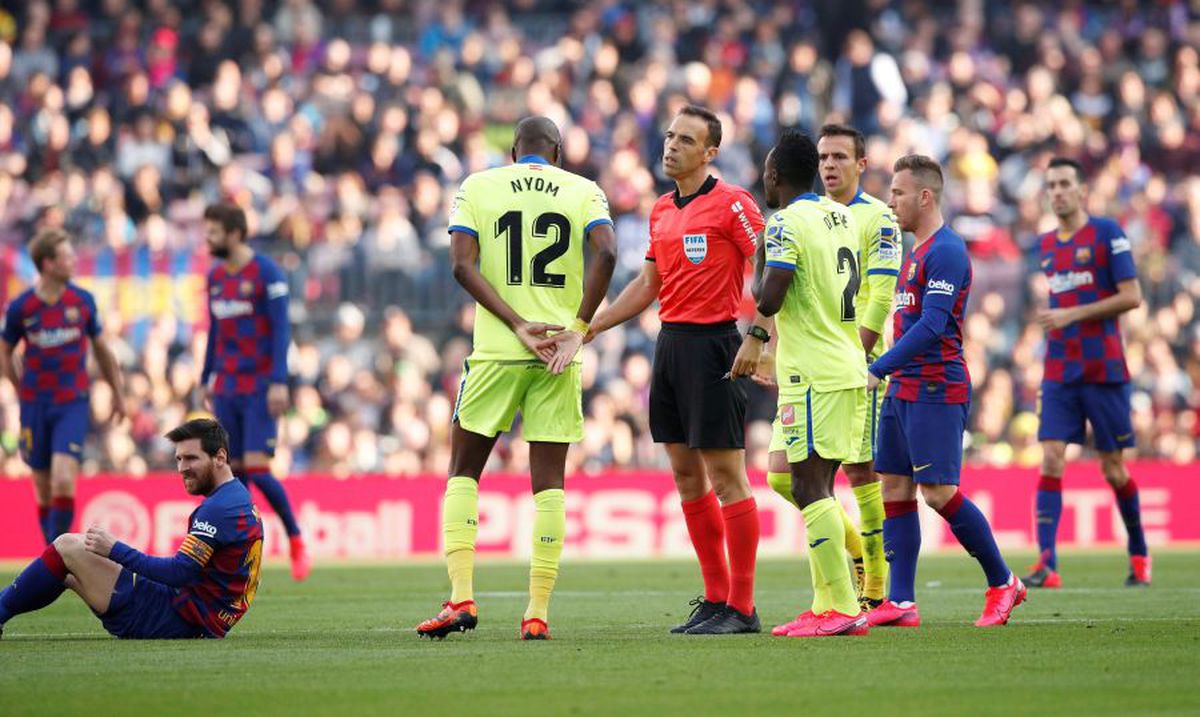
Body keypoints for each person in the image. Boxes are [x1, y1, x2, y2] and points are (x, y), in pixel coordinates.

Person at [416, 117, 616, 641]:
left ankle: (461, 597)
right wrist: (577, 329)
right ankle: (537, 613)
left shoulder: (478, 186)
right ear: (557, 152)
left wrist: (516, 323)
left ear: (513, 151)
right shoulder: (583, 190)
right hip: (559, 352)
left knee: (464, 472)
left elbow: (462, 267)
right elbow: (608, 252)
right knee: (549, 484)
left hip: (499, 351)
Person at [588, 105, 766, 635]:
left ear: (710, 152)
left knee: (727, 478)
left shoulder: (734, 203)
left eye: (686, 140)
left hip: (716, 346)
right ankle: (715, 599)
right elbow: (648, 285)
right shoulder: (662, 209)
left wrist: (760, 335)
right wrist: (591, 326)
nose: (671, 146)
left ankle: (742, 607)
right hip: (671, 345)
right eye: (669, 136)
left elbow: (772, 264)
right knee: (687, 477)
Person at [865, 155, 1025, 628]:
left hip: (936, 385)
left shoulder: (947, 251)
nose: (891, 201)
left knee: (938, 493)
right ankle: (901, 601)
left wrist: (879, 367)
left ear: (924, 196)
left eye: (898, 193)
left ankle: (1003, 582)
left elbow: (934, 324)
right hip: (904, 386)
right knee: (894, 486)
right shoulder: (915, 251)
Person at [758, 124, 899, 612]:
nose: (830, 165)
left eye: (840, 156)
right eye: (823, 157)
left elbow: (879, 295)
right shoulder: (823, 216)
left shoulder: (876, 218)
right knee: (786, 476)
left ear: (862, 164)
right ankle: (852, 560)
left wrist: (857, 352)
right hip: (818, 360)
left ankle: (873, 587)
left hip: (855, 360)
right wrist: (772, 348)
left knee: (854, 472)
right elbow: (803, 297)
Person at [0, 418, 264, 639]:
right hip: (195, 615)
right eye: (179, 459)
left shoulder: (218, 509)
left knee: (67, 547)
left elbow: (179, 572)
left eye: (191, 458)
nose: (182, 468)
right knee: (61, 570)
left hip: (175, 619)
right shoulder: (237, 497)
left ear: (220, 457)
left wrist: (115, 549)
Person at [1024, 157, 1149, 588]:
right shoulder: (1044, 245)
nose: (1057, 192)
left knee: (1113, 469)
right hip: (1059, 368)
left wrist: (1072, 314)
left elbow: (1132, 295)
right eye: (1051, 185)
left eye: (1064, 184)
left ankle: (1139, 552)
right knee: (1051, 456)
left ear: (1081, 191)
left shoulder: (1107, 233)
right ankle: (1046, 563)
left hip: (1103, 368)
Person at [199, 202, 309, 582]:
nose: (208, 239)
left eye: (214, 232)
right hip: (227, 385)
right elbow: (215, 330)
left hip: (260, 384)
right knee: (233, 474)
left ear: (234, 233)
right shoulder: (215, 277)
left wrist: (279, 379)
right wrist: (206, 376)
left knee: (258, 468)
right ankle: (242, 558)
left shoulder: (267, 272)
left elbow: (281, 330)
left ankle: (295, 537)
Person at [0, 228, 125, 543]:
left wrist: (117, 392)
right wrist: (18, 386)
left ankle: (58, 558)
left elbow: (101, 349)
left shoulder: (82, 301)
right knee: (43, 487)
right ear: (48, 264)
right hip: (35, 404)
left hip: (72, 402)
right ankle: (53, 552)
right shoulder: (22, 307)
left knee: (64, 478)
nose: (73, 261)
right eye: (67, 257)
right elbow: (4, 349)